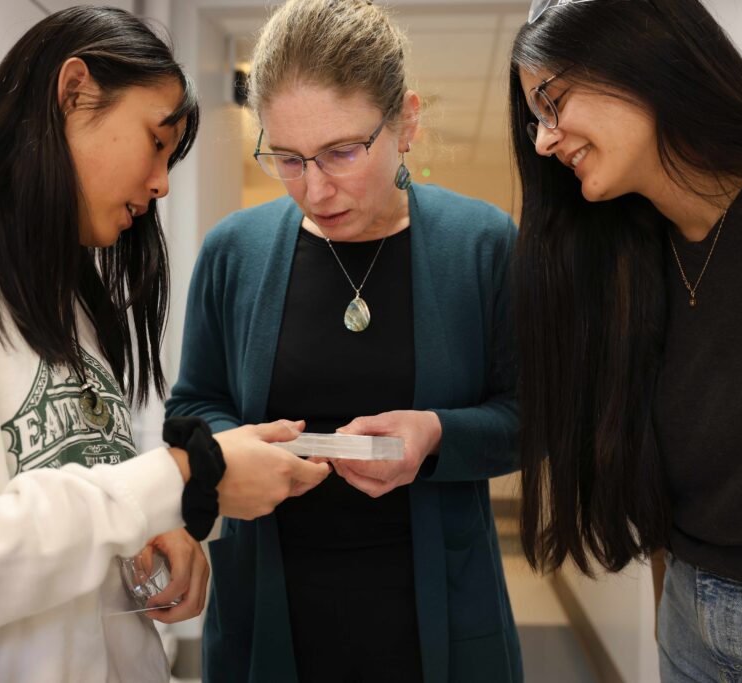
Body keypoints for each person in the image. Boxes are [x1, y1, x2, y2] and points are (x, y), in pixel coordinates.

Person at [0, 7, 328, 682]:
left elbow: (67, 511)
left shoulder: (71, 301)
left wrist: (148, 537)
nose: (161, 184)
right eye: (155, 142)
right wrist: (176, 479)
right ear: (74, 91)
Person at [509, 0, 742, 681]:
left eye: (552, 101)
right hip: (688, 621)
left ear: (645, 59)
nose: (544, 139)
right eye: (536, 117)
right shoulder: (632, 255)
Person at [165, 1, 523, 681]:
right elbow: (193, 406)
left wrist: (435, 434)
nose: (317, 188)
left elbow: (529, 418)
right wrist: (227, 458)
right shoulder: (233, 253)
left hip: (435, 619)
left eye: (341, 153)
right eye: (288, 158)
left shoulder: (482, 245)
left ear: (407, 121)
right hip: (272, 613)